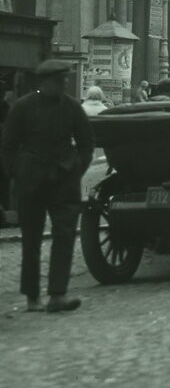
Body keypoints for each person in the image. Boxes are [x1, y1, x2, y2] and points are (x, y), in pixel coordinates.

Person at [1, 60, 94, 313]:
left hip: (63, 182)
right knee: (31, 240)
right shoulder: (22, 107)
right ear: (43, 83)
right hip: (30, 182)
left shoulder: (73, 108)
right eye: (59, 80)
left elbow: (87, 144)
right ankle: (32, 298)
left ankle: (57, 295)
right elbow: (8, 146)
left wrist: (76, 170)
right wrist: (17, 172)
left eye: (65, 80)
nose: (64, 84)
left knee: (64, 236)